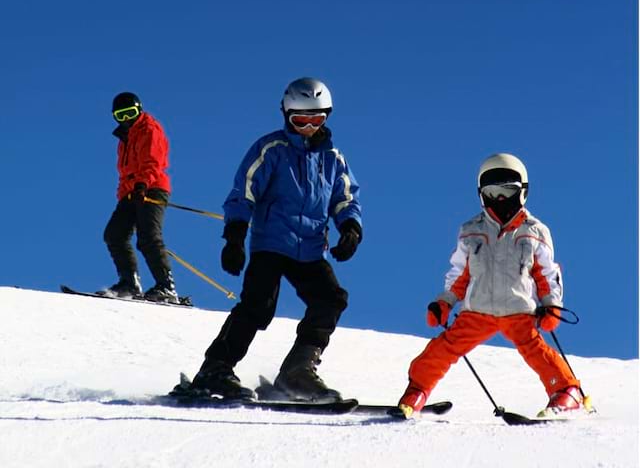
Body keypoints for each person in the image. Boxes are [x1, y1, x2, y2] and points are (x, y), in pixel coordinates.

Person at [190, 77, 362, 401]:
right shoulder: (271, 149)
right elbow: (244, 192)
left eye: (317, 120)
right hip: (272, 242)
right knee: (258, 306)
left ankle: (297, 372)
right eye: (300, 120)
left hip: (311, 248)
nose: (308, 127)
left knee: (331, 299)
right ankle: (215, 368)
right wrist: (235, 237)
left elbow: (345, 198)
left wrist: (350, 228)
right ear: (286, 115)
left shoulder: (333, 158)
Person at [395, 153, 583, 418]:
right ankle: (417, 391)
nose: (500, 199)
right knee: (442, 349)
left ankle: (566, 391)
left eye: (507, 191)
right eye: (493, 192)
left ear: (523, 191)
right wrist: (445, 301)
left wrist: (551, 305)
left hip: (518, 309)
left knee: (537, 351)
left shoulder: (535, 230)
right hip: (478, 310)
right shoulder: (471, 229)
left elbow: (547, 272)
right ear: (482, 194)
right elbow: (460, 273)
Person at [102, 92, 179, 304]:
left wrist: (143, 185)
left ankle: (166, 287)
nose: (126, 119)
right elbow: (125, 171)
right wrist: (124, 194)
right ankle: (129, 282)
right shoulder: (124, 138)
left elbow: (154, 162)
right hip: (131, 192)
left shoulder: (150, 129)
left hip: (152, 188)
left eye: (130, 113)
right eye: (121, 115)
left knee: (147, 237)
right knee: (114, 234)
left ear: (139, 110)